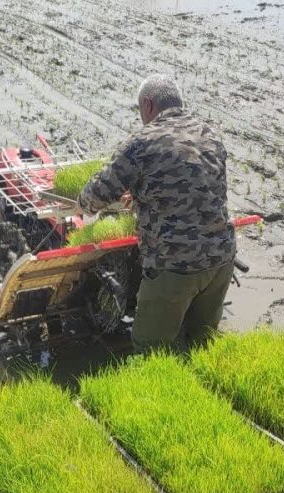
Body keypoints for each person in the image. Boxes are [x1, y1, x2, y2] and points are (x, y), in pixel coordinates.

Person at [77, 73, 236, 352]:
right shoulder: (209, 133)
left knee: (153, 353)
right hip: (221, 260)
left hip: (175, 266)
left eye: (141, 110)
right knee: (204, 345)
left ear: (148, 105)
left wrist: (79, 204)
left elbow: (97, 194)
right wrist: (142, 192)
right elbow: (197, 187)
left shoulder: (143, 141)